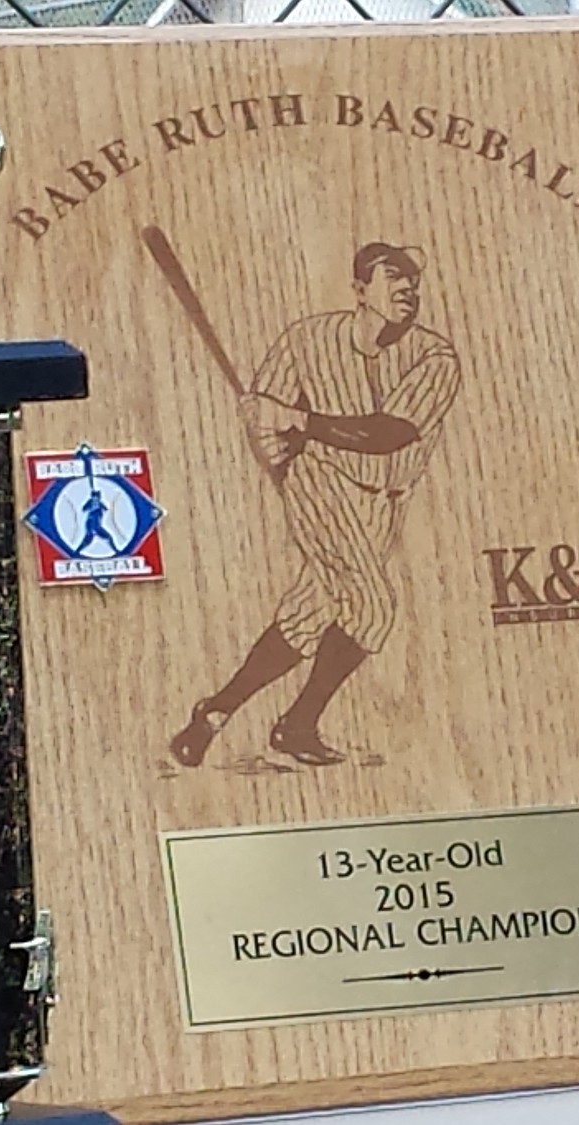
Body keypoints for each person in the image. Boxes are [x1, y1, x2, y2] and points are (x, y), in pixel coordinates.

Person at [170, 242, 462, 768]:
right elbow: (265, 420)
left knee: (309, 614)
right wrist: (279, 455)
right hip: (321, 482)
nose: (407, 289)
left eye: (413, 281)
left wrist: (299, 422)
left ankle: (213, 713)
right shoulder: (307, 340)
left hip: (386, 499)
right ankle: (297, 725)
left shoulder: (434, 356)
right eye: (393, 277)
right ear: (359, 291)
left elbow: (389, 433)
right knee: (373, 607)